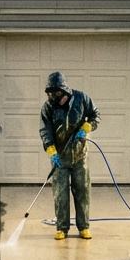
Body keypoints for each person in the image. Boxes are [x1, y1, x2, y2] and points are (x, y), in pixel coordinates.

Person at [39, 72, 100, 240]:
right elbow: (45, 131)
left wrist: (86, 127)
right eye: (50, 93)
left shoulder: (81, 99)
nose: (52, 97)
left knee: (82, 192)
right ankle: (62, 228)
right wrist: (52, 152)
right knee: (60, 194)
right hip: (60, 159)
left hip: (80, 156)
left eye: (55, 93)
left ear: (64, 90)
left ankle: (83, 227)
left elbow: (96, 115)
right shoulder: (48, 107)